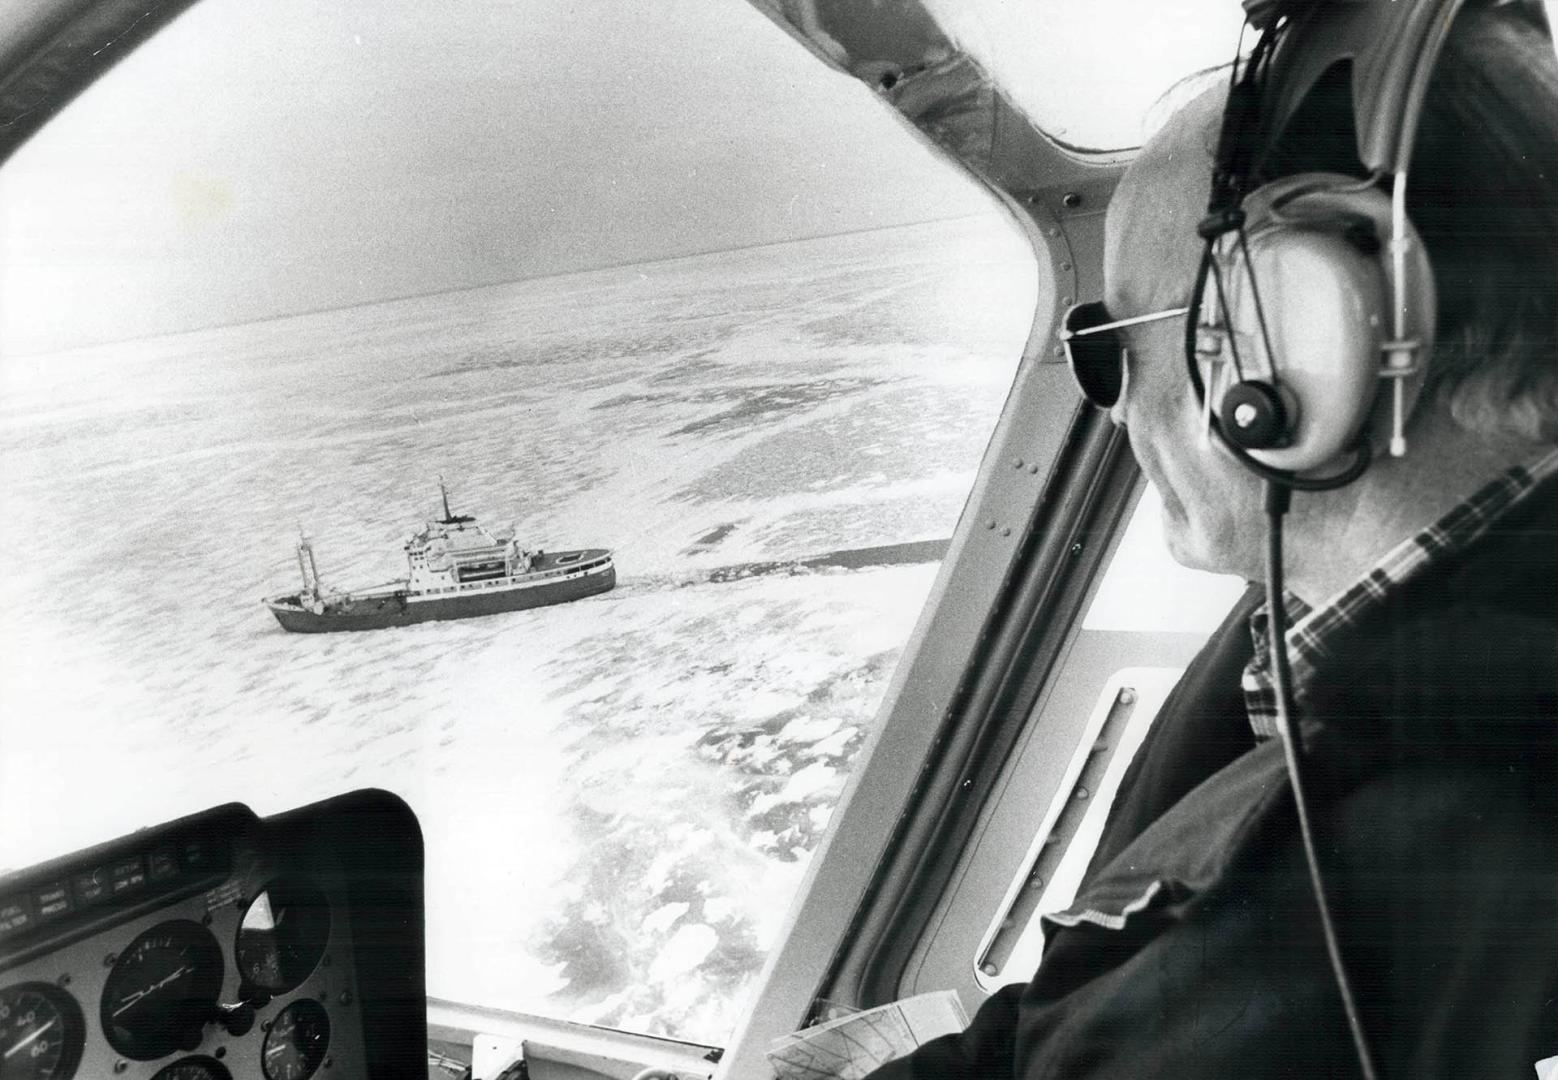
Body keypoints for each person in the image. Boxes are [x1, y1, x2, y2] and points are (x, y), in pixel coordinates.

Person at [864, 4, 1558, 1078]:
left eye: (1110, 342)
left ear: (1287, 351)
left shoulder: (1398, 854)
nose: (1110, 407)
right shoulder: (1382, 656)